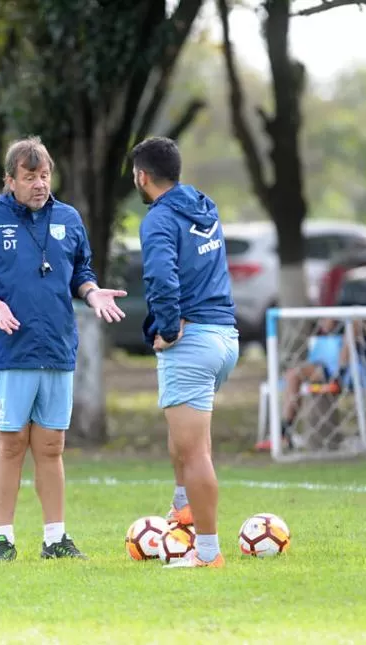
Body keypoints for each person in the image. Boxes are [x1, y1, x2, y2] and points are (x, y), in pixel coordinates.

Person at [0, 136, 127, 562]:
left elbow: (80, 270)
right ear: (10, 180)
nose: (39, 184)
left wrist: (91, 291)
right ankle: (4, 539)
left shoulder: (68, 217)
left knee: (51, 447)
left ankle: (55, 539)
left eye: (44, 175)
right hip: (11, 349)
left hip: (57, 346)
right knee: (11, 445)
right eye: (29, 177)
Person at [132, 136, 239, 569]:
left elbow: (161, 277)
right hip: (224, 337)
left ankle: (208, 552)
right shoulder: (201, 204)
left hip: (192, 341)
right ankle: (183, 509)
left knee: (195, 452)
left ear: (142, 177)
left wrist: (168, 327)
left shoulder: (158, 220)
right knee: (185, 440)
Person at [255, 259, 366, 452]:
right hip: (355, 361)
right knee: (294, 374)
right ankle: (283, 433)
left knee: (356, 324)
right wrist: (334, 321)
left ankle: (339, 374)